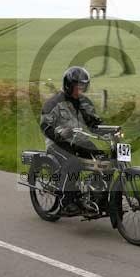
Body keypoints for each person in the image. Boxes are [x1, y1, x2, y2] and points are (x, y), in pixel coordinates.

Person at [40, 66, 103, 214]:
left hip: (80, 141)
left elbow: (93, 123)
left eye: (84, 86)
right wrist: (60, 134)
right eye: (78, 86)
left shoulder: (85, 102)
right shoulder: (53, 103)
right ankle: (66, 202)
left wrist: (109, 130)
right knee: (74, 162)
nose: (81, 89)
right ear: (68, 85)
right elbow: (45, 126)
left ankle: (95, 196)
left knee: (103, 160)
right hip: (58, 144)